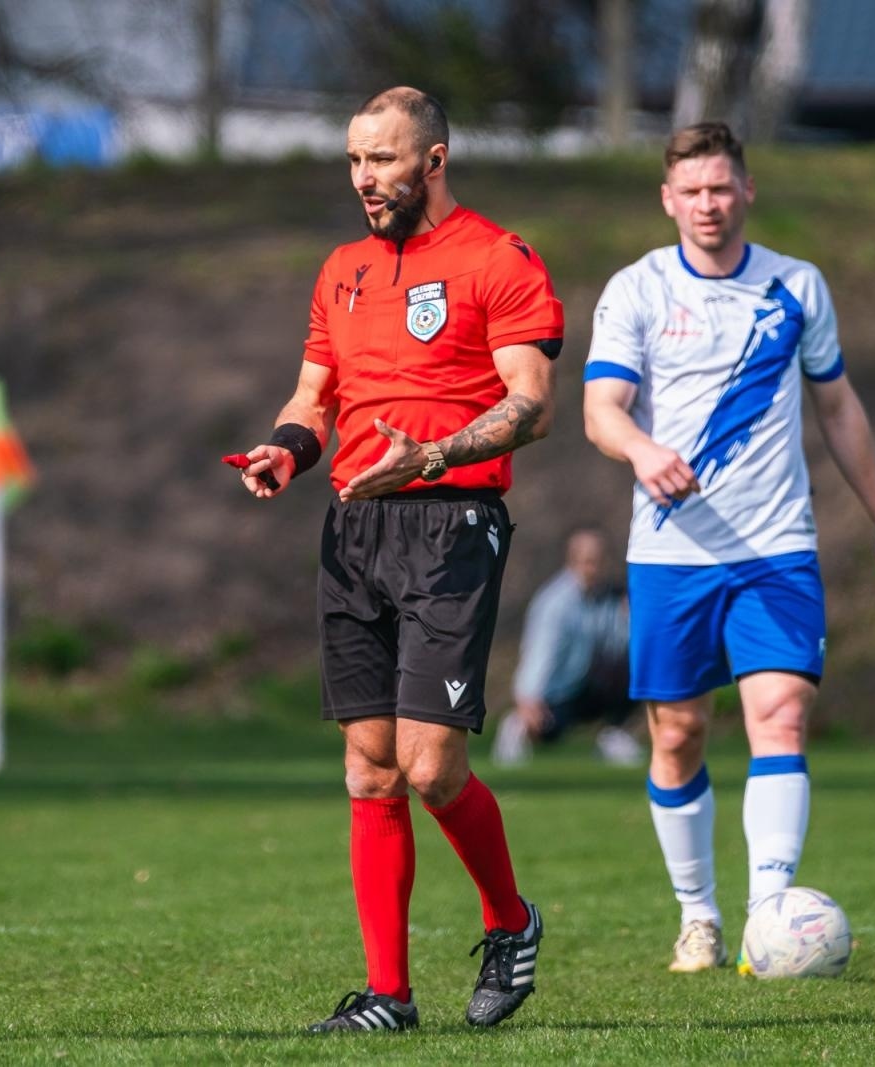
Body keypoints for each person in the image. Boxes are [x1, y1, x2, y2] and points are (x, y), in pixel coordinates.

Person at [233, 87, 563, 1032]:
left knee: (430, 766)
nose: (364, 180)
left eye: (381, 160)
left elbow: (529, 406)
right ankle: (389, 996)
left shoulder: (501, 259)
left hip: (452, 521)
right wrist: (287, 450)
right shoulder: (341, 269)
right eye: (353, 161)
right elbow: (313, 393)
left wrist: (433, 455)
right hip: (355, 527)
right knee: (369, 767)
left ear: (434, 160)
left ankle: (511, 919)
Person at [582, 123, 875, 974]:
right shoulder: (638, 290)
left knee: (781, 714)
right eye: (691, 191)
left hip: (776, 549)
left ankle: (771, 913)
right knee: (679, 734)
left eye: (721, 188)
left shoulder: (796, 286)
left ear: (747, 191)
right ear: (668, 200)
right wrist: (644, 451)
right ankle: (700, 917)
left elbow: (837, 409)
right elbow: (601, 409)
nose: (708, 205)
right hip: (670, 555)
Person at [492, 527, 642, 767]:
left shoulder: (608, 598)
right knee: (550, 732)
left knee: (637, 668)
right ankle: (518, 724)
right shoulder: (556, 602)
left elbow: (621, 642)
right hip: (557, 688)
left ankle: (614, 733)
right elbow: (540, 651)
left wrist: (631, 616)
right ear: (573, 560)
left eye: (598, 561)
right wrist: (528, 697)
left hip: (587, 683)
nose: (594, 568)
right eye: (587, 561)